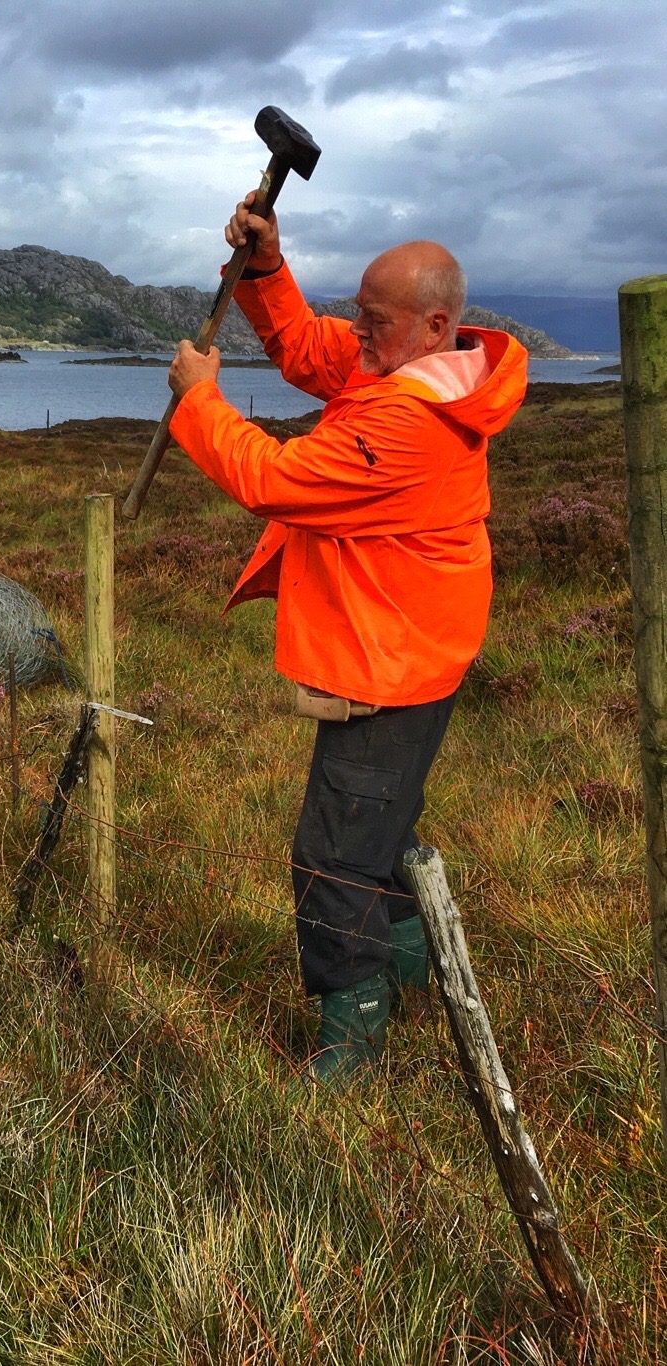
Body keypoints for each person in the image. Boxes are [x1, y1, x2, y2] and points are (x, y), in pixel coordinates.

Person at [166, 193, 529, 1082]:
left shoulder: (408, 424)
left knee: (331, 856)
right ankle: (411, 980)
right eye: (359, 313)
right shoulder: (415, 371)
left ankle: (353, 1042)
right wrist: (264, 269)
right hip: (416, 652)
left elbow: (272, 478)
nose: (354, 333)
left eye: (374, 320)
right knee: (378, 836)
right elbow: (306, 346)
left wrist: (199, 401)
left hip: (389, 662)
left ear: (436, 323)